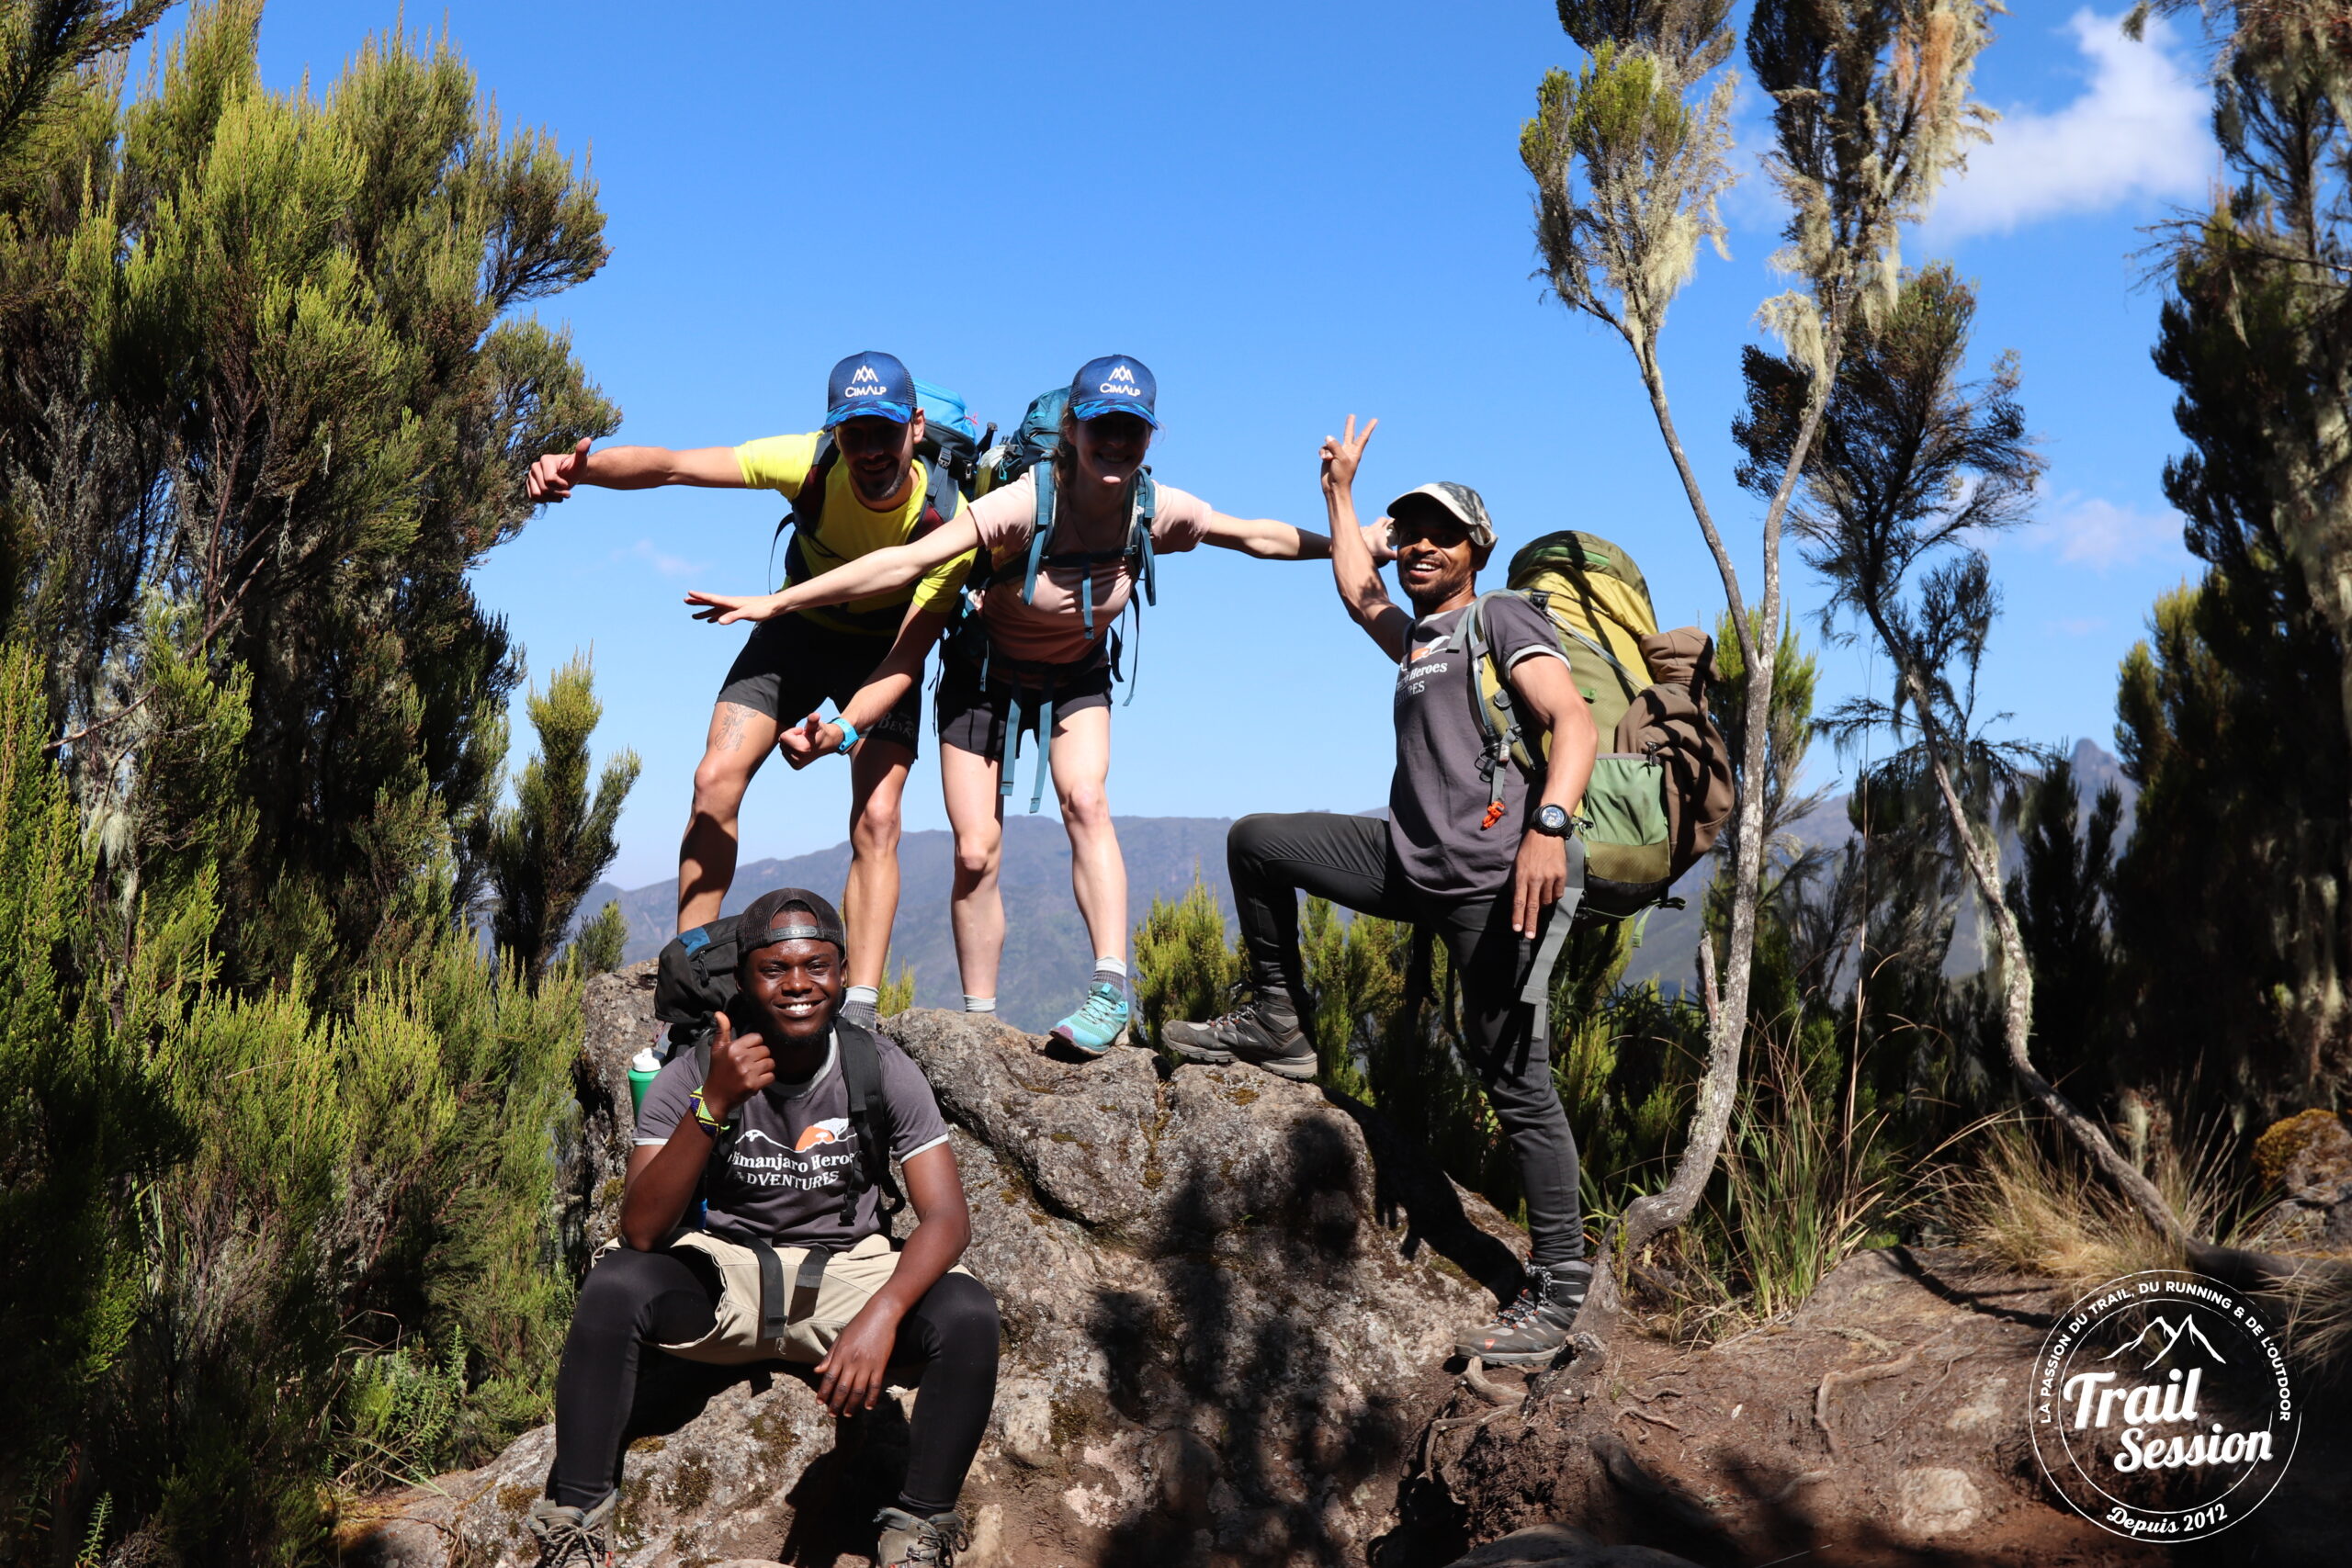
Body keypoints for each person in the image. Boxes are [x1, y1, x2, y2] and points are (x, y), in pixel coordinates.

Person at [687, 355, 1365, 1054]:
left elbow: (1256, 535)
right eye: (1101, 425)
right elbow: (904, 565)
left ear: (1150, 438)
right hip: (983, 672)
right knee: (976, 853)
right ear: (1071, 429)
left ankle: (1110, 991)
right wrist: (782, 600)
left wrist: (1355, 539)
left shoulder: (1151, 507)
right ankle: (980, 1026)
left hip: (1075, 675)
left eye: (1132, 428)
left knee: (1086, 801)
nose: (1115, 441)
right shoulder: (1023, 503)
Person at [1160, 416, 1600, 1366]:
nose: (1417, 548)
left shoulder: (1503, 619)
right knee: (1260, 845)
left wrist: (1549, 829)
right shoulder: (1420, 642)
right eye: (1407, 534)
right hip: (1410, 861)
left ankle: (1560, 1282)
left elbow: (1572, 720)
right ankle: (1278, 1022)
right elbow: (1360, 594)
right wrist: (1339, 494)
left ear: (1475, 549)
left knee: (1515, 1082)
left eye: (1438, 534)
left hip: (1494, 882)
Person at [527, 886, 998, 1568]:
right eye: (775, 968)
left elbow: (949, 1218)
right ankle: (574, 1526)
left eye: (818, 965)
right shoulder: (695, 1067)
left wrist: (883, 1314)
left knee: (969, 1313)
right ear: (744, 978)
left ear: (842, 973)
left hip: (846, 1276)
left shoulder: (878, 1067)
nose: (799, 984)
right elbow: (642, 1228)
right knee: (615, 1284)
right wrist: (713, 1103)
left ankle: (916, 1535)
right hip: (727, 1273)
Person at [526, 352, 973, 1030]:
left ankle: (861, 1014)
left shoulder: (949, 523)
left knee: (878, 819)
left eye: (885, 431)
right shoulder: (809, 463)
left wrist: (843, 730)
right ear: (834, 434)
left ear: (915, 427)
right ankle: (688, 979)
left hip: (881, 656)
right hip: (793, 630)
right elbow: (675, 465)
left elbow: (909, 656)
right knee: (715, 779)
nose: (872, 451)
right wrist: (582, 469)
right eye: (855, 434)